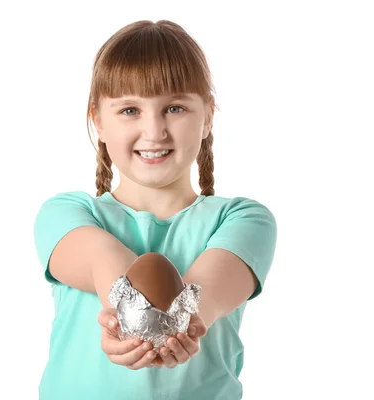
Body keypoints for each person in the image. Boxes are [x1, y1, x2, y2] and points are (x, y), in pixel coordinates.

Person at [33, 19, 277, 400]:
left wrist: (180, 326)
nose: (154, 131)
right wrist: (126, 321)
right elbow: (102, 260)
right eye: (130, 110)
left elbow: (203, 297)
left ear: (208, 116)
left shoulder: (244, 220)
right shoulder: (65, 214)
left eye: (175, 108)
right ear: (98, 120)